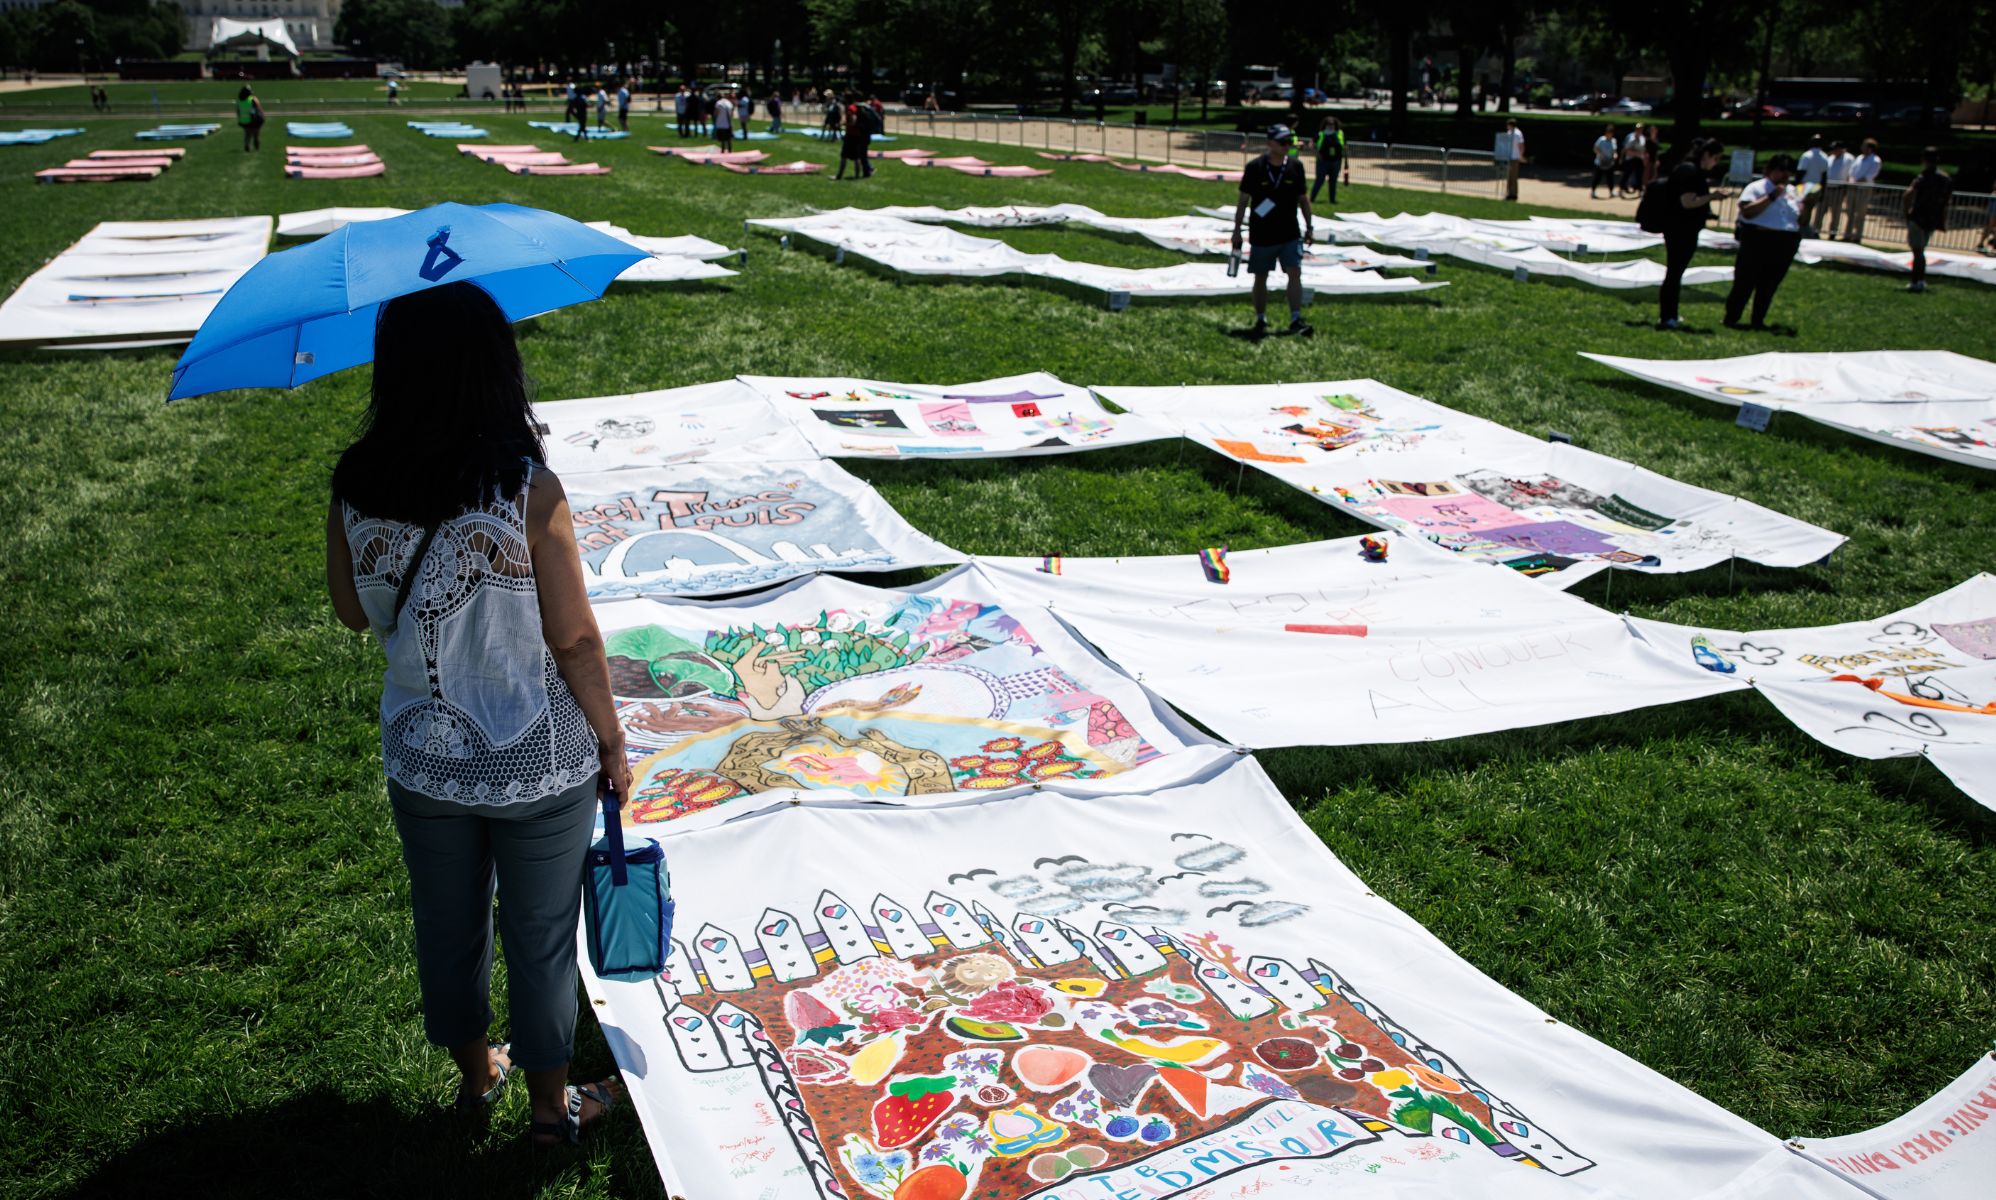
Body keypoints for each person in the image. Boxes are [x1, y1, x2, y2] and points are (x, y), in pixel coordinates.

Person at [323, 282, 630, 1148]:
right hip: (538, 752)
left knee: (446, 924)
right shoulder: (526, 486)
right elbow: (573, 641)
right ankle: (547, 1109)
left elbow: (352, 612)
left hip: (424, 752)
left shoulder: (356, 480)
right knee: (539, 937)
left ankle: (474, 1075)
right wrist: (610, 738)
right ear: (497, 372)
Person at [1229, 124, 1314, 338]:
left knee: (1294, 272)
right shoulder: (1255, 167)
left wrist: (1309, 226)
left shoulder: (1296, 166)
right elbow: (1243, 201)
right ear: (1270, 143)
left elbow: (1303, 199)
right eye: (1282, 142)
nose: (1287, 146)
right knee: (1261, 276)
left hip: (1290, 232)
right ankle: (1260, 318)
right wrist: (1237, 230)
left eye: (1289, 142)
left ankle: (1296, 317)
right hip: (1262, 233)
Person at [1656, 138, 1729, 331]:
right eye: (1716, 158)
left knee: (1675, 273)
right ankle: (1667, 316)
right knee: (1674, 273)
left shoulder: (1692, 171)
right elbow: (1687, 202)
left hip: (1683, 229)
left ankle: (1670, 314)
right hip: (1680, 230)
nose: (1716, 163)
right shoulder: (1689, 171)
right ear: (1706, 155)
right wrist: (1712, 197)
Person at [1725, 153, 1804, 330]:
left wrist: (1810, 206)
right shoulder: (1757, 187)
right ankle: (1732, 317)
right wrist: (1771, 197)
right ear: (1770, 170)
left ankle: (1758, 319)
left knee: (1769, 284)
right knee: (1745, 281)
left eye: (1788, 171)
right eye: (1781, 170)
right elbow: (1747, 211)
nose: (1785, 175)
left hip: (1785, 241)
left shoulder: (1793, 192)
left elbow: (1800, 220)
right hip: (1758, 239)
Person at [1903, 147, 1953, 293]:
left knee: (1917, 252)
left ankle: (1916, 281)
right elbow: (1946, 201)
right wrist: (1942, 219)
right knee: (1921, 250)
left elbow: (1907, 195)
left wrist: (1907, 213)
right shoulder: (1945, 178)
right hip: (1932, 218)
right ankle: (1920, 280)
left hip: (1919, 217)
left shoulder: (1923, 176)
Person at [1846, 138, 1882, 242]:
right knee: (1850, 211)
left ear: (1870, 148)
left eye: (1864, 146)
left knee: (1860, 212)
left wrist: (1857, 181)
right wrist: (1852, 179)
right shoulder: (1859, 158)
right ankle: (1848, 234)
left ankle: (1857, 236)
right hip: (1853, 188)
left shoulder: (1875, 160)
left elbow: (1871, 175)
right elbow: (1852, 170)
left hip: (1864, 189)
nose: (1862, 148)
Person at [1796, 134, 1830, 232]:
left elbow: (1801, 172)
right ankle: (1805, 227)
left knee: (1800, 207)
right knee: (1809, 209)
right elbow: (1824, 176)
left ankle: (1800, 227)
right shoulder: (1824, 157)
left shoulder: (1806, 155)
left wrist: (1795, 186)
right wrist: (1823, 191)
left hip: (1804, 186)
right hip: (1816, 187)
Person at [1820, 141, 1851, 239]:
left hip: (1838, 189)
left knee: (1835, 212)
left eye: (1835, 149)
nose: (1833, 151)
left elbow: (1849, 174)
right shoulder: (1830, 158)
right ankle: (1816, 230)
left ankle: (1833, 232)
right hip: (1827, 188)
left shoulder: (1848, 159)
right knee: (1821, 210)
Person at [1311, 115, 1345, 204]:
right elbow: (1312, 144)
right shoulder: (1320, 134)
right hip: (1323, 161)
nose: (1330, 126)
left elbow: (1342, 145)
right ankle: (1312, 198)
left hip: (1336, 160)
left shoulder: (1339, 133)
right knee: (1319, 180)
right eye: (1328, 125)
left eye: (1332, 125)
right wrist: (1317, 154)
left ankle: (1332, 200)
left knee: (1333, 181)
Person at [836, 95, 869, 179]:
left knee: (844, 156)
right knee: (856, 157)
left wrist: (845, 124)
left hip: (851, 135)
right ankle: (857, 176)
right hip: (857, 135)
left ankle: (839, 176)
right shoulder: (856, 107)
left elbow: (853, 120)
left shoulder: (851, 108)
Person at [1591, 124, 1618, 200]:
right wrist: (1600, 154)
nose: (1610, 134)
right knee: (1597, 177)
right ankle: (1593, 191)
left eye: (1611, 133)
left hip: (1609, 162)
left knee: (1610, 178)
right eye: (1609, 132)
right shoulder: (1601, 140)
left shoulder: (1613, 141)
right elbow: (1595, 148)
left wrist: (1615, 155)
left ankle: (1611, 191)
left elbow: (1614, 151)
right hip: (1600, 162)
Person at [1618, 124, 1646, 198]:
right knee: (1626, 174)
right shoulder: (1630, 137)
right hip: (1630, 159)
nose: (1639, 130)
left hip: (1639, 160)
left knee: (1639, 176)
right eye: (1638, 129)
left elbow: (1643, 150)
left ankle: (1640, 191)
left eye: (1641, 129)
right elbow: (1626, 149)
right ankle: (1621, 190)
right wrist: (1621, 158)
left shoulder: (1643, 138)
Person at [1501, 118, 1524, 201]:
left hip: (1515, 157)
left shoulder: (1518, 134)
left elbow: (1521, 145)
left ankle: (1513, 194)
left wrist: (1521, 156)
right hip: (1509, 157)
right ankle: (1509, 193)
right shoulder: (1509, 133)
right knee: (1508, 176)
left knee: (1513, 177)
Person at [236, 85, 264, 152]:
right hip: (254, 120)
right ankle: (256, 146)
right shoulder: (253, 99)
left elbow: (238, 111)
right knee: (256, 134)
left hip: (244, 121)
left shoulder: (240, 101)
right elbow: (259, 109)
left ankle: (247, 145)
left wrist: (240, 119)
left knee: (247, 134)